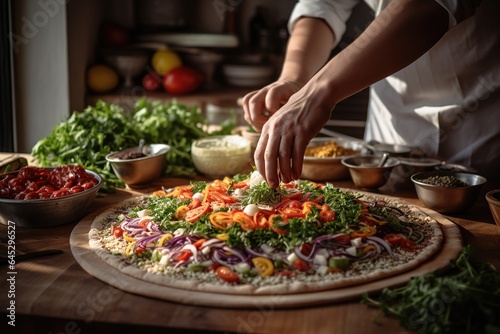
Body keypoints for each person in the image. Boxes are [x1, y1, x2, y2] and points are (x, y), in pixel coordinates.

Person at [241, 0, 500, 190]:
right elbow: (323, 5)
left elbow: (429, 6)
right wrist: (294, 79)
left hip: (479, 123)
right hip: (386, 142)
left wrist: (317, 92)